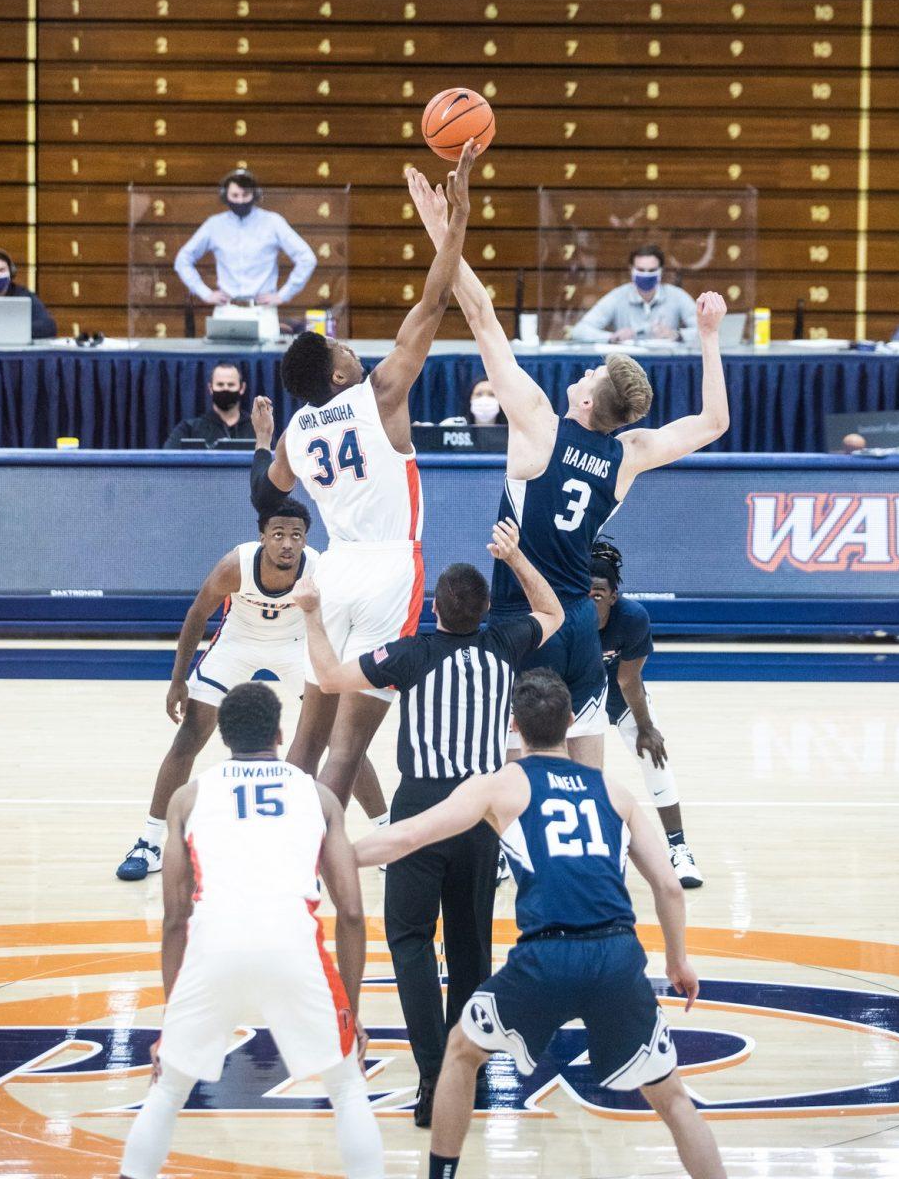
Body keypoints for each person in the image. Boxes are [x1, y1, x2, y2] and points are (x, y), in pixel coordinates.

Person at [407, 166, 730, 771]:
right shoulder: (626, 457)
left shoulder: (537, 424)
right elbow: (713, 423)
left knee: (514, 765)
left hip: (522, 619)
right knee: (583, 771)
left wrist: (442, 228)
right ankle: (591, 848)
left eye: (589, 375)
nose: (580, 374)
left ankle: (510, 856)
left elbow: (479, 314)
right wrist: (708, 336)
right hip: (580, 622)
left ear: (586, 401)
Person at [354, 669, 727, 1179]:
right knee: (674, 1100)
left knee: (460, 1053)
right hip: (617, 955)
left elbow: (404, 839)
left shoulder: (501, 785)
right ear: (572, 721)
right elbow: (666, 887)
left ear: (514, 727)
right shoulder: (613, 791)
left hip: (546, 958)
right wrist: (678, 959)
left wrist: (331, 855)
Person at [292, 517, 563, 1129]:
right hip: (482, 817)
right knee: (470, 952)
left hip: (419, 808)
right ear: (487, 610)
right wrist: (518, 558)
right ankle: (460, 1076)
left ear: (435, 608)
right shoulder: (504, 645)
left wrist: (311, 612)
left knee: (410, 941)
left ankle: (433, 1075)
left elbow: (332, 679)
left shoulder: (412, 653)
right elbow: (554, 614)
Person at [250, 141, 478, 812]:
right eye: (344, 346)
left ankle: (280, 851)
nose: (352, 345)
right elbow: (436, 304)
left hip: (331, 574)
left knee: (310, 738)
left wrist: (264, 446)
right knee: (349, 748)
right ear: (341, 373)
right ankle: (321, 858)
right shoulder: (378, 394)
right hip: (386, 572)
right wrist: (456, 218)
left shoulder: (295, 433)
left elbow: (273, 492)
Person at [118, 681, 384, 1179]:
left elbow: (175, 915)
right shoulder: (319, 796)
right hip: (293, 944)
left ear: (222, 734)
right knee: (347, 1087)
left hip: (214, 942)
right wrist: (348, 1009)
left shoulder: (188, 798)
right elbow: (350, 913)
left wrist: (174, 1013)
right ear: (281, 734)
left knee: (168, 1090)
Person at [116, 499, 318, 880]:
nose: (287, 543)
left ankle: (383, 830)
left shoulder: (319, 569)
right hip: (237, 642)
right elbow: (198, 613)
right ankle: (150, 842)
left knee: (338, 736)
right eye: (278, 534)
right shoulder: (236, 565)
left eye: (296, 535)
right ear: (262, 538)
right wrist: (178, 679)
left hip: (294, 645)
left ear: (306, 540)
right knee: (189, 734)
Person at [590, 538, 703, 888]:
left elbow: (628, 679)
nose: (589, 599)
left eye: (598, 593)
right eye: (583, 591)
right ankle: (511, 851)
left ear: (613, 595)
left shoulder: (633, 618)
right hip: (577, 695)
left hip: (621, 694)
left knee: (654, 755)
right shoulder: (564, 612)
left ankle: (679, 848)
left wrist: (646, 727)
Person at [173, 167, 316, 309]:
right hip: (227, 309)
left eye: (245, 195)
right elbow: (182, 260)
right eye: (235, 195)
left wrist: (283, 295)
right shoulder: (214, 225)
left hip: (262, 310)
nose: (240, 200)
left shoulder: (273, 222)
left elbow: (307, 258)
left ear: (255, 195)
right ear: (225, 196)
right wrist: (205, 293)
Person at [569, 243, 698, 344]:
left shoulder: (677, 296)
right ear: (631, 270)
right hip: (628, 367)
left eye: (651, 270)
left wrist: (677, 335)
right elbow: (580, 330)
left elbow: (705, 330)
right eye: (641, 270)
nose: (646, 275)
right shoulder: (617, 296)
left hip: (666, 366)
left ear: (661, 271)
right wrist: (612, 337)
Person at [163, 359, 256, 448]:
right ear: (210, 388)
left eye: (231, 385)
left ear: (242, 388)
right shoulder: (189, 429)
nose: (225, 389)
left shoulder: (257, 428)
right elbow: (165, 459)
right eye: (220, 384)